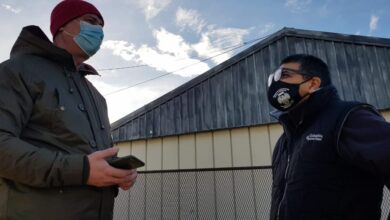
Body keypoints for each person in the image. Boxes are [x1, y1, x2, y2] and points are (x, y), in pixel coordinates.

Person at [0, 1, 137, 219]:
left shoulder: (96, 96)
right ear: (62, 26)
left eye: (102, 27)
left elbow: (92, 159)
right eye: (91, 22)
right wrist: (81, 170)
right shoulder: (17, 70)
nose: (99, 32)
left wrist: (116, 173)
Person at [267, 54, 390, 220]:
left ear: (313, 83)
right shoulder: (284, 141)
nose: (276, 83)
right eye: (273, 78)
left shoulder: (348, 118)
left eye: (285, 75)